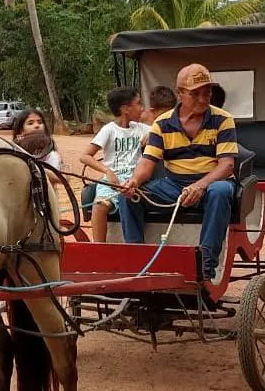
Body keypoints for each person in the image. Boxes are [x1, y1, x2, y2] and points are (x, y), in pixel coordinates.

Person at [120, 64, 237, 281]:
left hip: (213, 183)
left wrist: (200, 185)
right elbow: (147, 162)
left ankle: (205, 267)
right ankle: (136, 262)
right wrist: (134, 181)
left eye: (207, 92)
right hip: (174, 185)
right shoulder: (162, 124)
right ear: (180, 94)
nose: (203, 99)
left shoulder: (223, 119)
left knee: (221, 191)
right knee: (129, 196)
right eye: (195, 94)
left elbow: (226, 165)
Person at [79, 87, 147, 243]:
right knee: (99, 206)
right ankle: (99, 250)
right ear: (125, 109)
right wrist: (107, 172)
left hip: (134, 180)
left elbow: (161, 130)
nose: (142, 108)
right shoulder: (109, 130)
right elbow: (84, 156)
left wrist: (152, 135)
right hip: (112, 180)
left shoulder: (141, 128)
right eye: (138, 103)